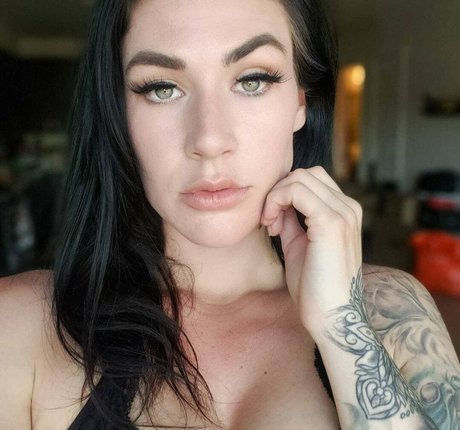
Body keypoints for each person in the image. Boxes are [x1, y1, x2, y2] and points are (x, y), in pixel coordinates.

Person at [0, 0, 459, 429]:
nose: (209, 139)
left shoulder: (391, 312)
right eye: (162, 88)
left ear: (301, 103)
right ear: (118, 113)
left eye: (252, 80)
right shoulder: (20, 325)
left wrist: (342, 322)